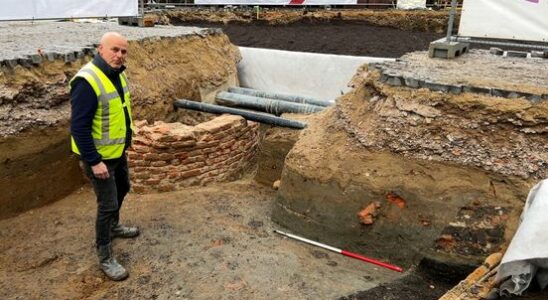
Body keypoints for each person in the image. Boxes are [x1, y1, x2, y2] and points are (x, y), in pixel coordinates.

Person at [70, 32, 139, 281]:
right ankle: (105, 255)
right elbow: (79, 128)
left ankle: (114, 226)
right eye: (114, 50)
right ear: (101, 49)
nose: (119, 55)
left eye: (123, 51)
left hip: (116, 151)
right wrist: (94, 160)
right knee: (107, 204)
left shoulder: (117, 74)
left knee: (124, 187)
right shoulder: (87, 81)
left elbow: (119, 111)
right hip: (99, 158)